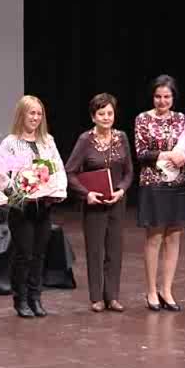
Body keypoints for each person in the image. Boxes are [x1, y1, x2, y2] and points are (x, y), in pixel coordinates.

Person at [65, 93, 133, 313]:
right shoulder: (85, 140)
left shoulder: (121, 137)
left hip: (116, 202)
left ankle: (112, 296)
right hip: (94, 203)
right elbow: (70, 172)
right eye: (101, 114)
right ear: (93, 117)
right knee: (95, 250)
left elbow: (129, 172)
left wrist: (122, 190)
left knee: (115, 249)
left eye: (110, 113)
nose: (106, 117)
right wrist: (86, 194)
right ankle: (96, 297)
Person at [1, 95, 67, 318]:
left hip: (44, 206)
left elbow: (58, 169)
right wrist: (20, 191)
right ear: (22, 114)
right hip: (22, 208)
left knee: (39, 254)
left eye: (39, 114)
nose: (36, 118)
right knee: (24, 254)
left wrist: (58, 191)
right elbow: (3, 177)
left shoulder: (47, 141)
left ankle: (35, 297)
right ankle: (20, 300)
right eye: (32, 113)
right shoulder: (10, 143)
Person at [134, 74, 185, 312]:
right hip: (153, 182)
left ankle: (167, 290)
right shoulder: (143, 119)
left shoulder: (182, 120)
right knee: (155, 237)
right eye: (158, 96)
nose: (162, 101)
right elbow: (141, 152)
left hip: (178, 184)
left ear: (173, 97)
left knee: (174, 236)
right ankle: (151, 291)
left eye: (166, 96)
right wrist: (168, 155)